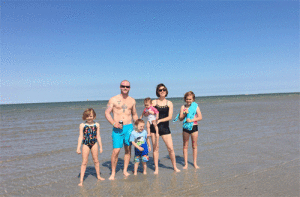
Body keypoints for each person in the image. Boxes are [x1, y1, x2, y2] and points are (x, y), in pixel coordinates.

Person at [105, 80, 138, 180]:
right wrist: (114, 123)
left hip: (129, 127)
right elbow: (107, 113)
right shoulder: (113, 99)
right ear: (120, 87)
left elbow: (134, 114)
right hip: (117, 128)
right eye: (123, 86)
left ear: (130, 88)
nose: (125, 88)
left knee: (128, 149)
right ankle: (113, 173)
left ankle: (125, 170)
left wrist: (138, 126)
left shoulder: (132, 100)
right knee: (116, 150)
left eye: (127, 86)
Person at [150, 83, 181, 174]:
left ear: (166, 91)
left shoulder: (169, 103)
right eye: (160, 90)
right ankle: (156, 169)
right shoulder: (154, 102)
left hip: (165, 127)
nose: (162, 91)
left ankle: (175, 167)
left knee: (170, 148)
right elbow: (149, 113)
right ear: (157, 92)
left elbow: (170, 117)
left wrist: (159, 120)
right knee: (156, 148)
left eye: (164, 89)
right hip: (154, 128)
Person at [76, 108, 105, 186]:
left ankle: (98, 176)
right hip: (85, 144)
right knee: (84, 162)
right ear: (85, 117)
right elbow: (80, 136)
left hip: (94, 143)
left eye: (91, 116)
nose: (89, 117)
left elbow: (98, 136)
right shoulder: (82, 125)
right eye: (87, 116)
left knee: (96, 160)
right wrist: (78, 148)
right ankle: (81, 180)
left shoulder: (97, 125)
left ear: (94, 116)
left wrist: (101, 146)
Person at [178, 91, 202, 169]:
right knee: (185, 145)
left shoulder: (196, 107)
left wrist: (191, 120)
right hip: (185, 128)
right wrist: (185, 113)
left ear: (193, 99)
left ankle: (195, 163)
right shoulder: (183, 107)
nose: (188, 101)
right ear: (185, 99)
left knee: (194, 146)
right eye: (187, 99)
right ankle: (186, 164)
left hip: (194, 127)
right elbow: (180, 119)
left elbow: (200, 117)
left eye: (190, 99)